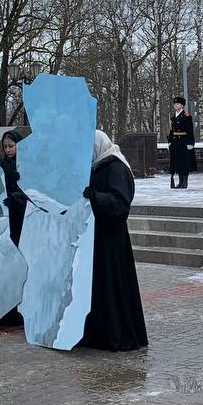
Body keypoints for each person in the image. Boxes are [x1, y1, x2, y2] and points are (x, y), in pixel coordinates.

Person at [79, 130, 148, 351]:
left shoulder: (116, 167)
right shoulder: (98, 165)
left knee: (112, 287)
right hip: (98, 237)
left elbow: (121, 202)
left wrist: (96, 197)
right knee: (100, 288)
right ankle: (99, 334)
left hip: (112, 239)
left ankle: (117, 335)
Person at [0, 130, 28, 245]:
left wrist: (15, 198)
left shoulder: (26, 162)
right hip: (10, 214)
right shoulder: (4, 164)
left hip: (25, 214)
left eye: (11, 146)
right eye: (5, 147)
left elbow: (32, 190)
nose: (7, 150)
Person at [167, 96, 197, 189]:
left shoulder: (186, 116)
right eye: (175, 104)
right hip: (176, 142)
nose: (176, 105)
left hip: (184, 142)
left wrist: (190, 143)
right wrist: (170, 142)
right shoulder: (173, 117)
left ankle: (185, 182)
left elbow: (190, 131)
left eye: (178, 104)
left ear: (182, 106)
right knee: (178, 162)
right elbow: (171, 131)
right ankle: (180, 182)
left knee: (184, 162)